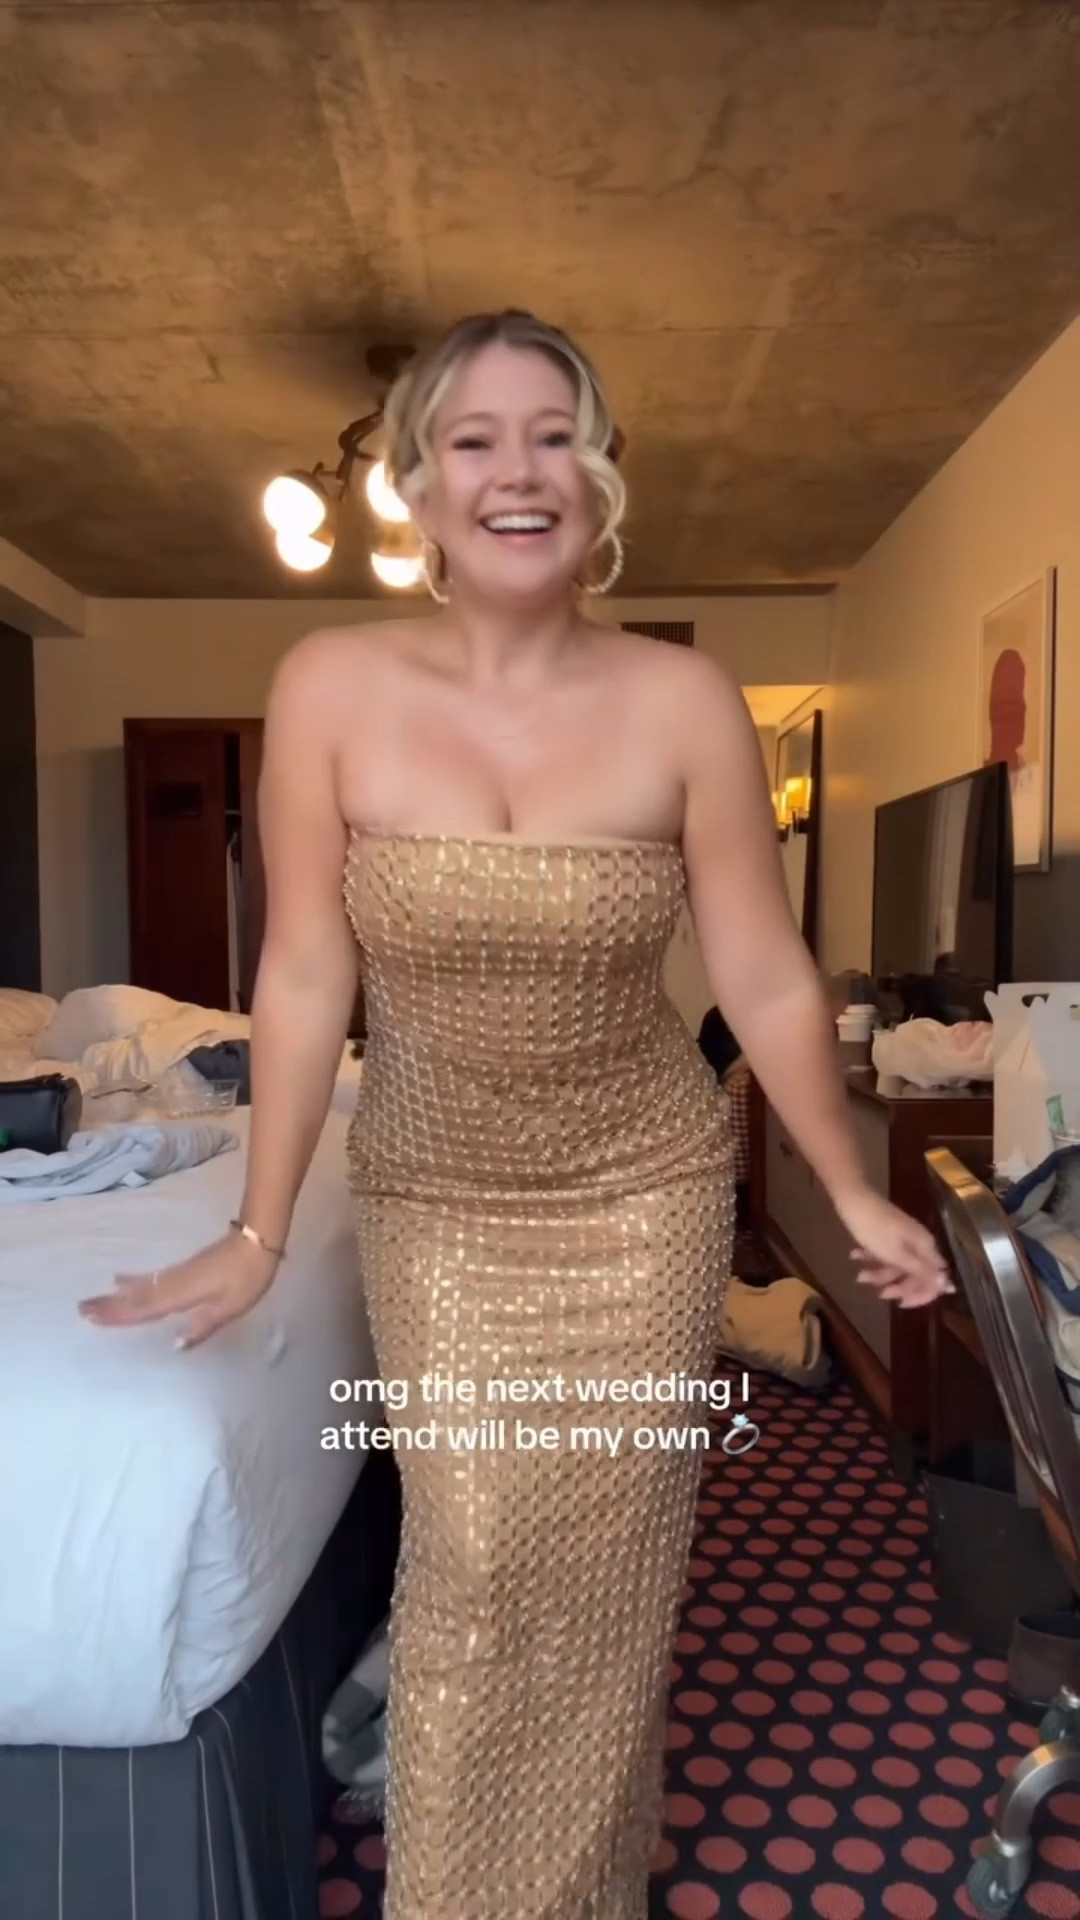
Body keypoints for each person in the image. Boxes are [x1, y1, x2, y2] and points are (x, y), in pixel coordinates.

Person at [79, 310, 952, 1919]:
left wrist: (850, 1189)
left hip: (644, 1194)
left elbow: (762, 970)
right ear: (418, 486)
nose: (518, 472)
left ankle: (585, 1886)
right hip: (440, 1197)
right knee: (475, 1569)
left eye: (554, 435)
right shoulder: (330, 685)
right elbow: (302, 969)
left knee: (613, 1580)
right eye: (474, 441)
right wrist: (257, 1232)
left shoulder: (686, 701)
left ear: (600, 474)